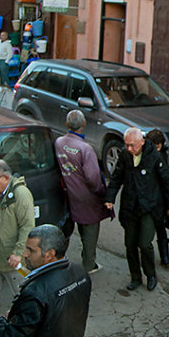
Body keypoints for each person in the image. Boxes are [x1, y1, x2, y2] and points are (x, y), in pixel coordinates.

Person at [104, 128, 169, 293]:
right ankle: (135, 277)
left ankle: (151, 275)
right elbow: (116, 178)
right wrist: (110, 198)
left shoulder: (154, 156)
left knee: (144, 244)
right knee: (130, 244)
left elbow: (166, 181)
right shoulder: (125, 155)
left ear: (142, 142)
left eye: (132, 146)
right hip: (130, 207)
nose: (129, 149)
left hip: (149, 208)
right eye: (127, 145)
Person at [0, 159, 35, 325]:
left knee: (25, 299)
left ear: (5, 177)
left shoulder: (21, 195)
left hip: (13, 261)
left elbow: (28, 227)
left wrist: (18, 253)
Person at [55, 110, 109, 273]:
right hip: (87, 198)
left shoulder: (59, 142)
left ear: (67, 124)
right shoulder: (85, 148)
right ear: (84, 125)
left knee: (79, 223)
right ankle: (88, 264)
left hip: (71, 195)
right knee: (90, 231)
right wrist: (101, 191)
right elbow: (93, 178)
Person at [145, 128, 169, 267]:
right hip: (148, 199)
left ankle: (165, 257)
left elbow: (167, 182)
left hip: (159, 201)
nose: (156, 149)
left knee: (161, 229)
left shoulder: (162, 157)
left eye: (158, 146)